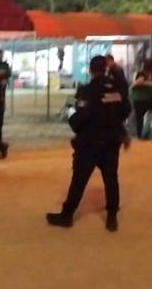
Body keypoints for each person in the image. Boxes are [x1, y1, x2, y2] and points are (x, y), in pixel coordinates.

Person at [47, 55, 131, 231]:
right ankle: (112, 218)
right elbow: (126, 110)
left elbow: (81, 117)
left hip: (90, 142)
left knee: (79, 179)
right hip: (111, 141)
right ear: (105, 68)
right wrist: (114, 123)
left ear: (91, 70)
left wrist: (71, 118)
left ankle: (67, 215)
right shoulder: (117, 88)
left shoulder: (88, 90)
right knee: (111, 179)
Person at [129, 59, 152, 139]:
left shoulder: (145, 73)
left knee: (140, 118)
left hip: (140, 99)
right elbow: (138, 82)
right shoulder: (143, 74)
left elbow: (136, 83)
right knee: (142, 118)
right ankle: (141, 135)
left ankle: (141, 135)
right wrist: (149, 83)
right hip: (142, 99)